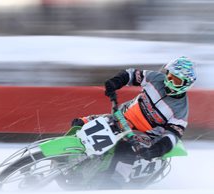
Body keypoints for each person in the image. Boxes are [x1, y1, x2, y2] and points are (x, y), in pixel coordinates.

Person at [72, 56, 197, 184]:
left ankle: (115, 182)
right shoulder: (155, 78)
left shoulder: (181, 111)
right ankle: (73, 161)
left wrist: (156, 149)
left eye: (176, 80)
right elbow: (131, 74)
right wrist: (115, 82)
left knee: (126, 146)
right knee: (81, 123)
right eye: (169, 76)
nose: (169, 82)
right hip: (122, 118)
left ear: (186, 84)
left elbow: (173, 136)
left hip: (145, 135)